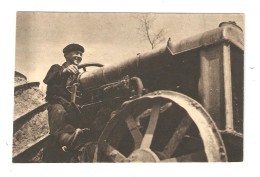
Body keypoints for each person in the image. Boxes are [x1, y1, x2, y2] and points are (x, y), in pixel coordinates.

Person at [42, 43, 90, 162]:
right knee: (59, 111)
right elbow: (47, 80)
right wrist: (64, 72)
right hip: (56, 101)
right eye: (76, 53)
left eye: (81, 54)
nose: (79, 56)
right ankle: (62, 138)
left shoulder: (79, 74)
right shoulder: (56, 68)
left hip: (72, 106)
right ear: (66, 55)